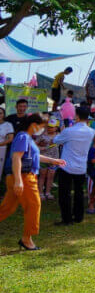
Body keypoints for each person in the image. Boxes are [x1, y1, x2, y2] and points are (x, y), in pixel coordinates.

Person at [0, 114, 66, 250]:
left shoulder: (26, 138)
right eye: (42, 126)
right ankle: (27, 239)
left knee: (7, 208)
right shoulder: (23, 137)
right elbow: (16, 158)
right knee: (34, 206)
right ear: (34, 125)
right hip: (24, 177)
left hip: (21, 177)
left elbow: (34, 155)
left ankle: (27, 238)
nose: (43, 129)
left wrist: (53, 161)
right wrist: (19, 181)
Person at [53, 105, 95, 225]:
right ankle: (78, 216)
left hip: (66, 165)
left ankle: (66, 219)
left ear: (76, 115)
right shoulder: (91, 131)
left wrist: (61, 132)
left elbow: (56, 140)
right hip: (81, 166)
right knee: (79, 192)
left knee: (64, 193)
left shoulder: (69, 131)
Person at [35, 118, 60, 200]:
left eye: (52, 127)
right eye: (48, 126)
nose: (49, 128)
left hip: (54, 159)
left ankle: (48, 192)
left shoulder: (59, 136)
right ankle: (40, 192)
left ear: (56, 127)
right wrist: (40, 148)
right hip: (44, 159)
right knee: (42, 175)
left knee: (51, 176)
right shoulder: (42, 135)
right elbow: (34, 144)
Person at [0, 107, 15, 187]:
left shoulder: (8, 125)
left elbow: (10, 139)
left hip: (2, 149)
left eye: (0, 113)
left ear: (3, 115)